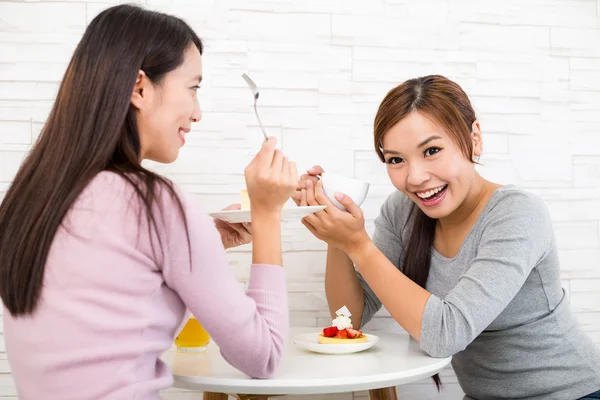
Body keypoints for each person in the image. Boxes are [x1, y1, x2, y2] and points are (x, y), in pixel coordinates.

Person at [0, 4, 297, 400]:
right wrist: (267, 215)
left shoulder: (31, 198)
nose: (198, 113)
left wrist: (204, 239)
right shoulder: (156, 204)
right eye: (193, 88)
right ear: (139, 88)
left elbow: (108, 301)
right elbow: (264, 355)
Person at [294, 75, 600, 400]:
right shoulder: (403, 212)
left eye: (432, 150)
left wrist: (358, 244)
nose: (415, 177)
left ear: (474, 139)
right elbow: (350, 317)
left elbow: (446, 333)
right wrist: (336, 235)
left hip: (571, 394)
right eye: (396, 159)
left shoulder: (518, 214)